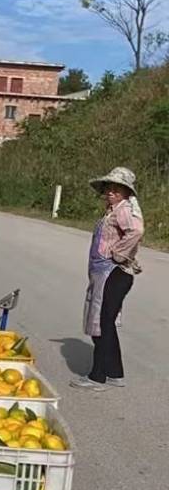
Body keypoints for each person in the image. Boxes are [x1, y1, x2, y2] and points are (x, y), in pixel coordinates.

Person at [70, 166, 143, 389]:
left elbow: (136, 231)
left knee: (102, 323)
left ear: (126, 192)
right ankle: (114, 372)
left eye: (117, 189)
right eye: (109, 189)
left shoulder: (124, 209)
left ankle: (97, 376)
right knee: (105, 321)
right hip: (105, 272)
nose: (111, 192)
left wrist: (118, 253)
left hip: (114, 272)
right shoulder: (113, 210)